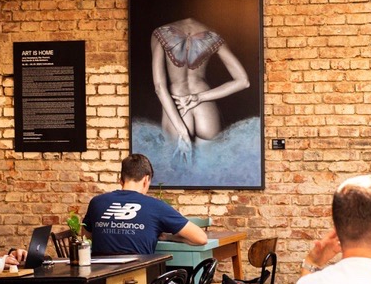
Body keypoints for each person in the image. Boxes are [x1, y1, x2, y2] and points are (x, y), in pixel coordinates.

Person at [150, 17, 250, 163]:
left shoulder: (160, 33)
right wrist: (199, 97)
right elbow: (243, 81)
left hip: (178, 108)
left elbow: (159, 87)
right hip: (205, 110)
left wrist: (182, 131)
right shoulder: (213, 35)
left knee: (179, 172)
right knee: (209, 171)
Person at [81, 153, 208, 255]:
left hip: (99, 276)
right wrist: (168, 237)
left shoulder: (97, 202)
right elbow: (201, 238)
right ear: (146, 180)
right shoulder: (156, 206)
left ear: (121, 180)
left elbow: (86, 236)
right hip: (139, 277)